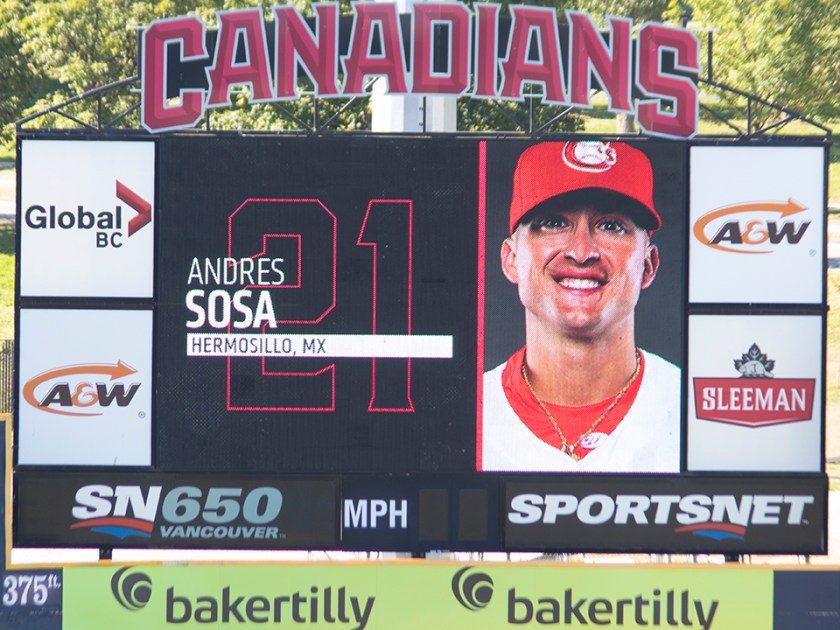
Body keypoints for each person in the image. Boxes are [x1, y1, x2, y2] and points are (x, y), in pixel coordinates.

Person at [481, 141, 680, 472]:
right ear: (511, 259)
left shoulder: (693, 410)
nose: (581, 250)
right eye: (553, 223)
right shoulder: (466, 413)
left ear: (648, 265)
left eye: (611, 226)